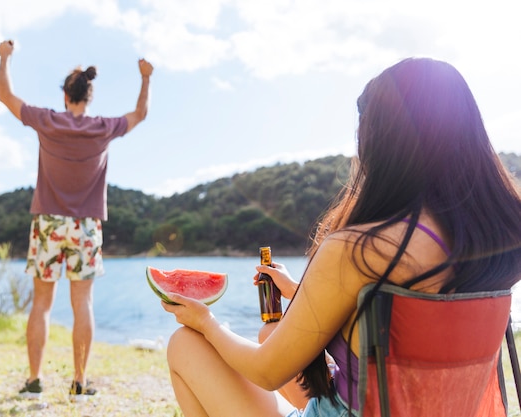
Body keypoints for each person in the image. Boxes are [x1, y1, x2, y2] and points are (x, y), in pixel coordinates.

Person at [161, 57, 521, 416]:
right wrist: (301, 293)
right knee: (270, 336)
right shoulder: (495, 238)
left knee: (185, 345)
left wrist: (205, 323)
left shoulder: (363, 249)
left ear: (382, 142)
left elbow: (266, 372)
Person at [0, 40, 153, 401]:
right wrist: (145, 78)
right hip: (85, 227)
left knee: (42, 304)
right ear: (88, 97)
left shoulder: (47, 120)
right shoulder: (103, 127)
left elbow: (5, 94)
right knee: (83, 304)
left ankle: (34, 382)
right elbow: (140, 114)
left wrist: (5, 57)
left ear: (66, 96)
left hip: (48, 224)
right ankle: (79, 384)